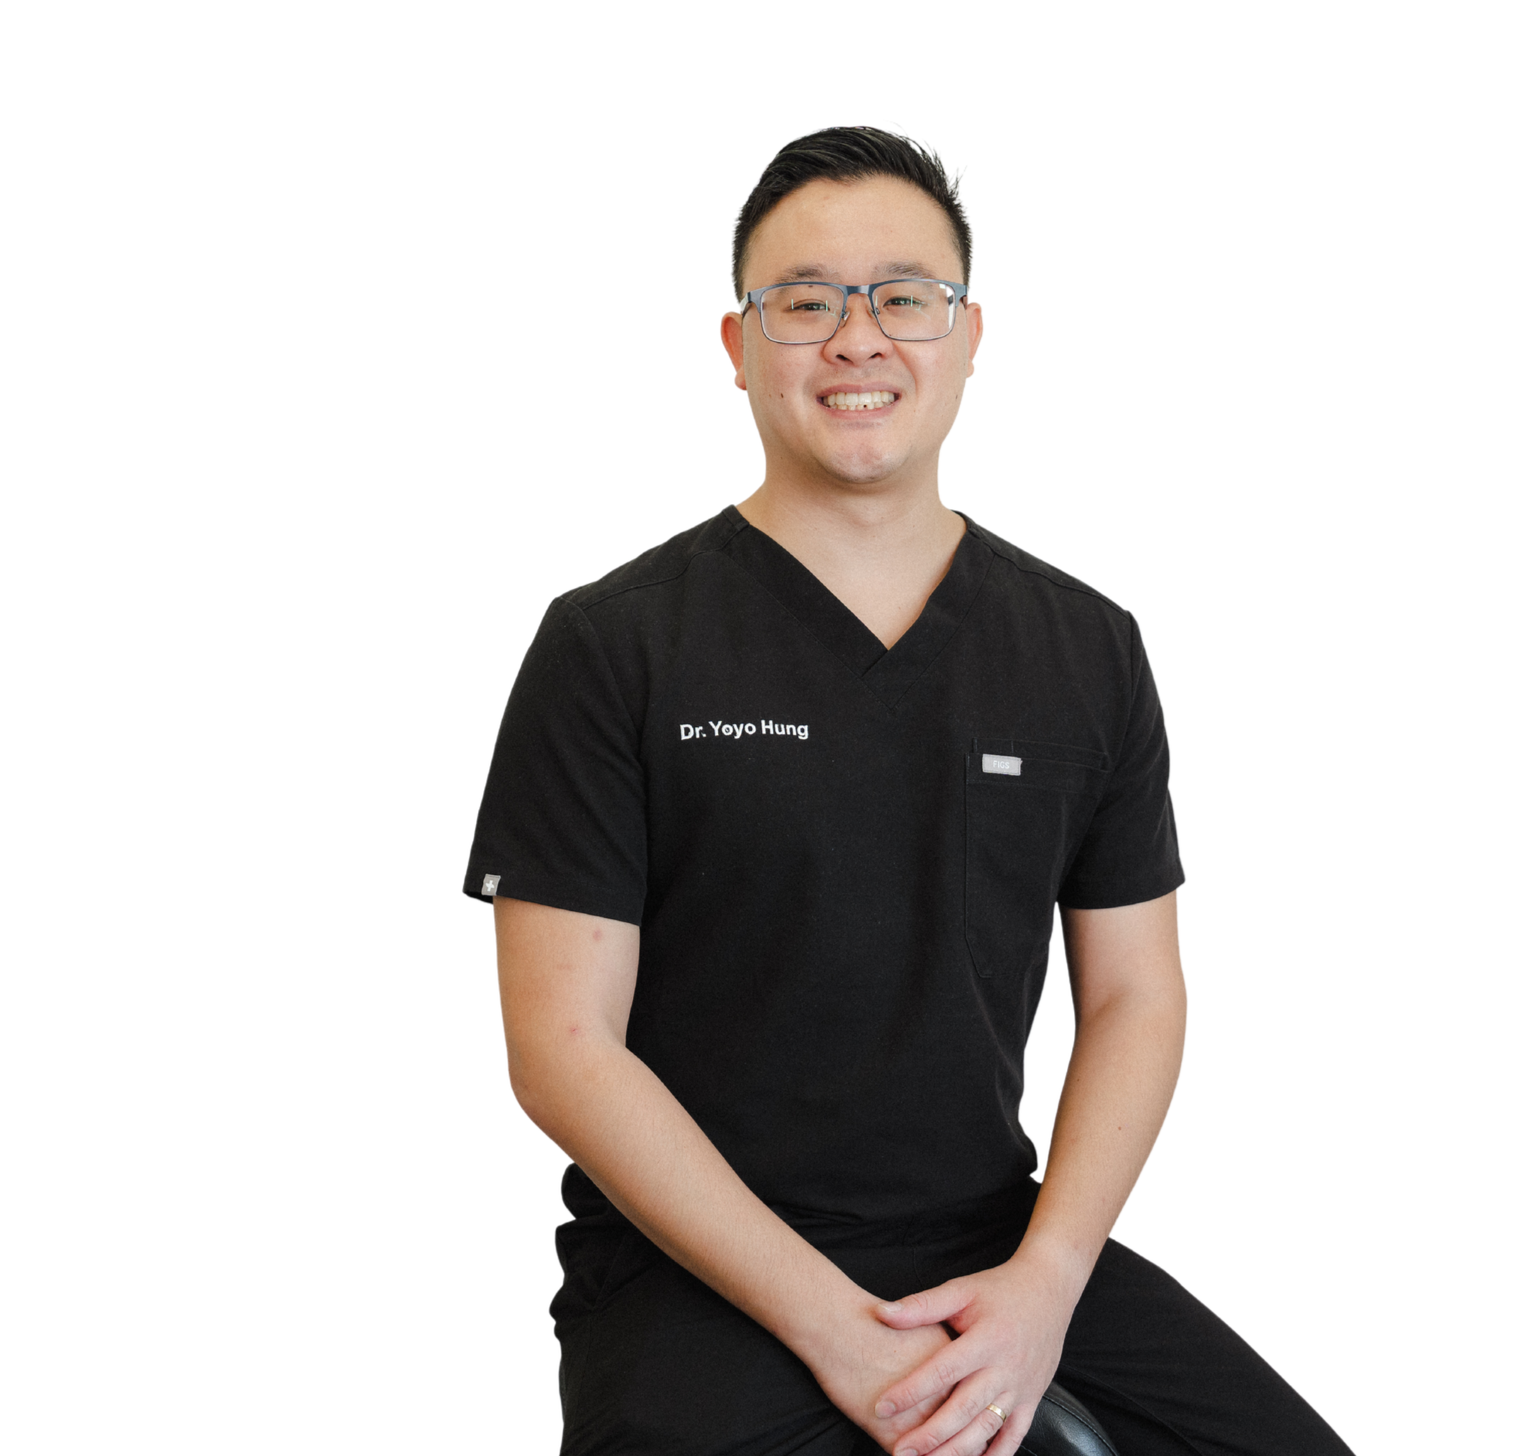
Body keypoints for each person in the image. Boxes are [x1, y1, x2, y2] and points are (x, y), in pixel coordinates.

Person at [466, 127, 1354, 1456]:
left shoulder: (1082, 646)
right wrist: (832, 1329)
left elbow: (1134, 993)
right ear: (736, 345)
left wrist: (1046, 1287)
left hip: (989, 1242)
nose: (857, 338)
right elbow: (564, 1051)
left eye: (903, 296)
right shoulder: (614, 646)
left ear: (968, 332)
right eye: (804, 302)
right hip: (688, 1268)